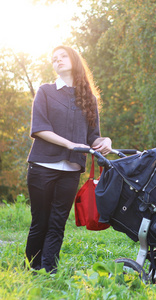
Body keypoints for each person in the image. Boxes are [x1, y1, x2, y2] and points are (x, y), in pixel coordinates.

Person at [25, 45, 112, 273]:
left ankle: (49, 270)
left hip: (71, 169)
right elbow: (39, 129)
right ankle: (32, 268)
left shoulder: (89, 99)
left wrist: (106, 142)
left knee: (57, 223)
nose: (58, 61)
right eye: (54, 59)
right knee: (40, 221)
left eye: (63, 56)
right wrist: (70, 144)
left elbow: (92, 137)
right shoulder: (45, 91)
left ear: (75, 60)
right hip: (42, 166)